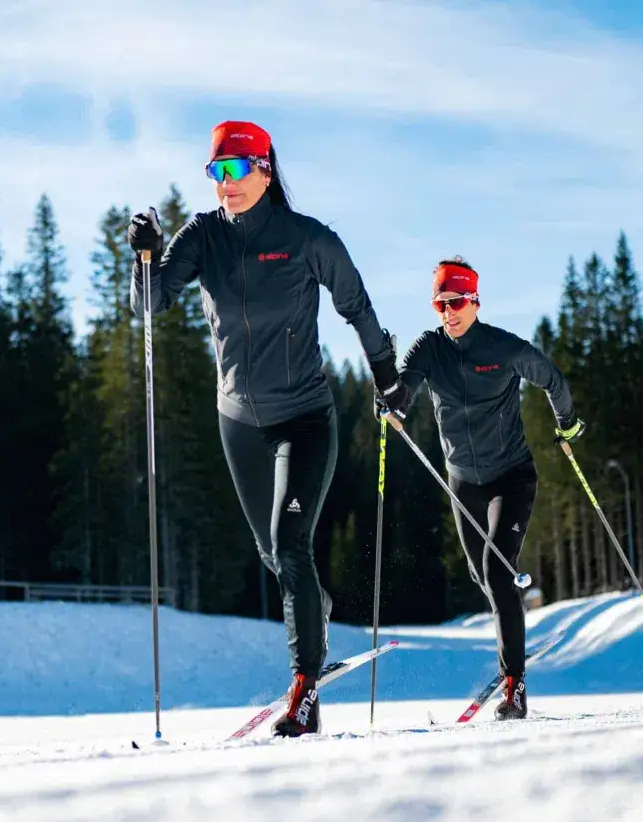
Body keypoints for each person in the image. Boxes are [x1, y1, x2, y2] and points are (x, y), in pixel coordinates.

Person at [128, 120, 410, 737]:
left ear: (265, 169)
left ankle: (305, 688)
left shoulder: (307, 238)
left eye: (235, 170)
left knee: (290, 541)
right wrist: (144, 257)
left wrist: (386, 376)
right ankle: (317, 613)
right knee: (275, 555)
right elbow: (151, 302)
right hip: (238, 424)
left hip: (305, 417)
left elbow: (356, 305)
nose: (225, 184)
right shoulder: (203, 235)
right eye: (215, 173)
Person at [376, 256, 583, 720]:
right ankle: (510, 603)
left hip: (511, 476)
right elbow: (404, 392)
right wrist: (389, 400)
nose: (448, 311)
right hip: (463, 482)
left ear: (474, 300)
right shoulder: (428, 348)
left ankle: (514, 685)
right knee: (483, 577)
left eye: (455, 301)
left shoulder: (502, 347)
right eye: (439, 303)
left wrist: (566, 423)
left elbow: (552, 378)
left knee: (496, 568)